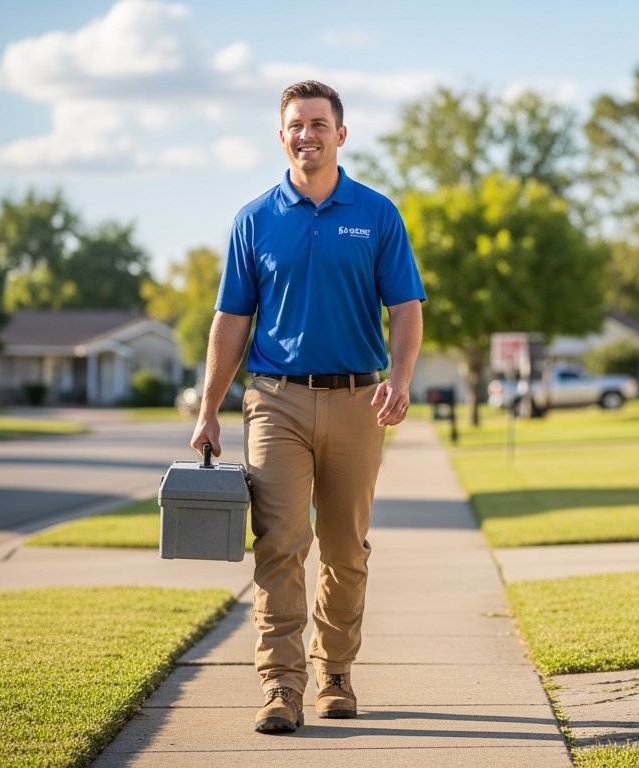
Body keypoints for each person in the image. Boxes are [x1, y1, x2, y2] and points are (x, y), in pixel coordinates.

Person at [189, 80, 425, 735]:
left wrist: (400, 378)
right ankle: (281, 687)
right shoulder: (255, 219)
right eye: (296, 124)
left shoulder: (376, 214)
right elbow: (231, 321)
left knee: (346, 550)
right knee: (280, 544)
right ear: (281, 133)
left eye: (319, 123)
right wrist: (209, 408)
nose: (307, 134)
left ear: (341, 134)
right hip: (275, 401)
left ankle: (337, 673)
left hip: (358, 401)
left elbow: (405, 307)